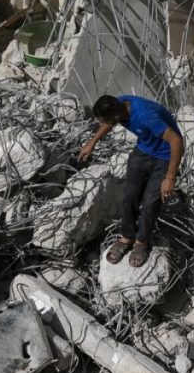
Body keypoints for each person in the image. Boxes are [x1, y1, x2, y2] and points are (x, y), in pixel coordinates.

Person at [78, 94, 183, 268]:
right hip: (143, 151)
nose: (106, 124)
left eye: (106, 120)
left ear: (116, 115)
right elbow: (109, 122)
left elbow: (177, 142)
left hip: (165, 157)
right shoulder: (119, 103)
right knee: (129, 197)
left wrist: (170, 178)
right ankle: (127, 237)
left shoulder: (146, 116)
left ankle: (141, 242)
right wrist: (92, 143)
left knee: (150, 203)